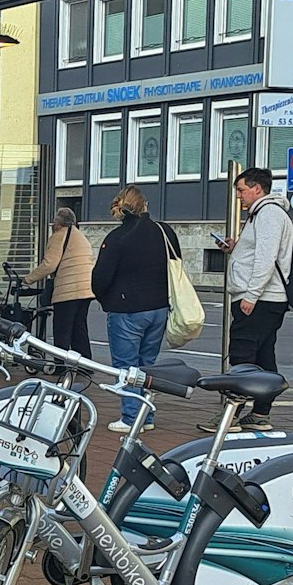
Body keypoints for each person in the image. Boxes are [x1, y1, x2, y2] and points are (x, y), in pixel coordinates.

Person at [204, 167, 293, 432]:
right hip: (267, 298)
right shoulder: (263, 214)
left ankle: (231, 415)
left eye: (242, 190)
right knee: (264, 356)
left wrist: (252, 295)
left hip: (260, 298)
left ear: (257, 188)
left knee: (242, 355)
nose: (239, 196)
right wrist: (235, 248)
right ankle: (260, 413)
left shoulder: (267, 214)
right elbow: (258, 252)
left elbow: (266, 258)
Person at [91, 185, 179, 432]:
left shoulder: (117, 237)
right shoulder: (164, 232)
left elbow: (101, 277)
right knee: (147, 364)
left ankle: (131, 419)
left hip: (126, 307)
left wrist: (105, 299)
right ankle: (146, 416)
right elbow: (175, 263)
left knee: (126, 366)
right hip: (159, 307)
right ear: (145, 205)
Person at [24, 205, 95, 356]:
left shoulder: (59, 236)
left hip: (68, 290)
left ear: (59, 223)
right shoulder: (80, 237)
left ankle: (60, 362)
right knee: (79, 328)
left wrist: (28, 279)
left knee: (62, 329)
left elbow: (49, 264)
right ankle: (84, 362)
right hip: (86, 290)